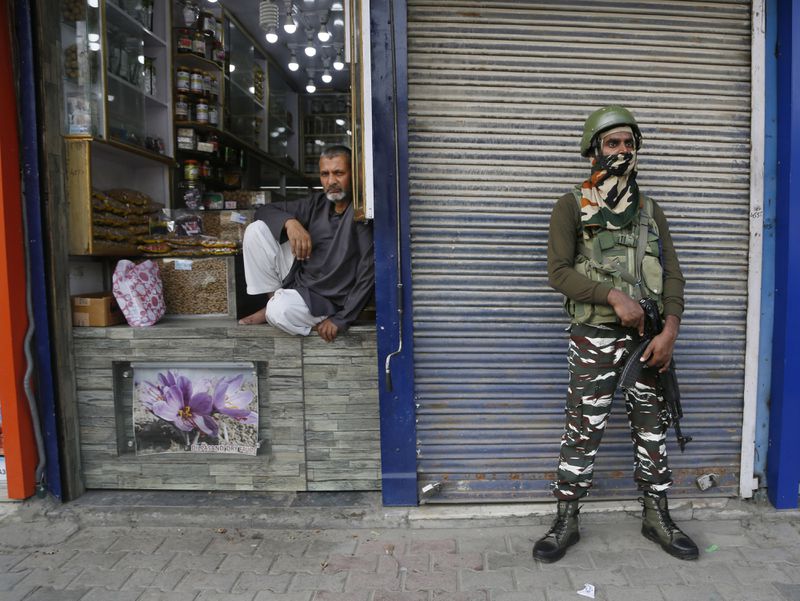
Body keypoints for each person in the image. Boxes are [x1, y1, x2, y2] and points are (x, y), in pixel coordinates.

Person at [533, 106, 698, 563]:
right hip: (594, 338)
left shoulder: (650, 211)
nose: (622, 151)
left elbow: (673, 277)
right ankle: (567, 519)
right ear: (593, 152)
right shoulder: (572, 205)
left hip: (649, 341)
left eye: (628, 143)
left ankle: (656, 516)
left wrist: (670, 331)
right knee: (582, 430)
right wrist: (612, 296)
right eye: (612, 143)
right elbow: (558, 273)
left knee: (652, 430)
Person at [238, 145, 374, 343]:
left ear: (355, 174)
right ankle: (273, 301)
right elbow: (264, 211)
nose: (331, 181)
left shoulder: (361, 213)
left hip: (329, 300)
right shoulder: (317, 204)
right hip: (301, 284)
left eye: (339, 173)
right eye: (325, 174)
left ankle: (276, 308)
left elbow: (369, 269)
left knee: (279, 311)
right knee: (256, 230)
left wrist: (343, 318)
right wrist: (290, 223)